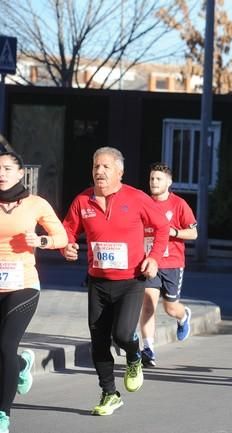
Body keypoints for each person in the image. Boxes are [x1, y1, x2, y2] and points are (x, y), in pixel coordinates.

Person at [61, 147, 169, 416]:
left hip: (131, 280)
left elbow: (162, 227)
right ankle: (109, 393)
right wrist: (67, 246)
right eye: (96, 166)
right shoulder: (83, 201)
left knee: (122, 335)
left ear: (119, 172)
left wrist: (154, 258)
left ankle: (134, 357)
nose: (99, 171)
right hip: (97, 282)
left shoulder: (136, 197)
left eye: (106, 167)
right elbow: (67, 230)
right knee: (98, 342)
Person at [0, 150, 68, 433]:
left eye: (6, 168)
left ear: (19, 173)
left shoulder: (35, 204)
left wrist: (40, 239)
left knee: (5, 346)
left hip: (24, 284)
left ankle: (3, 414)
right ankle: (22, 364)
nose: (0, 174)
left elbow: (61, 237)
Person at [139, 162, 197, 367]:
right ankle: (148, 349)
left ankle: (183, 316)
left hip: (172, 263)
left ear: (169, 183)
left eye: (158, 179)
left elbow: (194, 233)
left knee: (170, 308)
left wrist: (174, 232)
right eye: (152, 179)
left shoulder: (179, 204)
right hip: (150, 261)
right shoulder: (143, 203)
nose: (154, 182)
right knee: (148, 304)